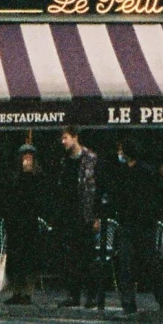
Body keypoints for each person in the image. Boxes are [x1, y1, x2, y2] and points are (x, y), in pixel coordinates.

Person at [113, 137, 163, 318]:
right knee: (127, 263)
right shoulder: (128, 172)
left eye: (122, 150)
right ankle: (130, 303)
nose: (119, 153)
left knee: (148, 261)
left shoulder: (143, 172)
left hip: (141, 223)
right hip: (132, 223)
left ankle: (160, 299)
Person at [57, 126, 100, 308]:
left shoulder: (90, 158)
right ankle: (73, 295)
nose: (63, 142)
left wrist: (97, 216)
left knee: (88, 257)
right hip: (69, 213)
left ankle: (91, 296)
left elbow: (96, 188)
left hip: (86, 214)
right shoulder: (64, 160)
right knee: (71, 257)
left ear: (75, 137)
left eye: (66, 138)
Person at [0, 145, 46, 304]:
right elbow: (10, 195)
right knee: (15, 259)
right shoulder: (13, 175)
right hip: (14, 222)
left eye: (30, 156)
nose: (27, 160)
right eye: (24, 156)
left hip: (30, 222)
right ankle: (16, 291)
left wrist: (29, 176)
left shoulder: (37, 176)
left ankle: (27, 292)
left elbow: (37, 197)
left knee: (29, 259)